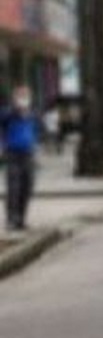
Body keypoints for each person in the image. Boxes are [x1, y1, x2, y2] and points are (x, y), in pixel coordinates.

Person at [1, 86, 40, 232]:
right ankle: (12, 219)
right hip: (12, 154)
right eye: (21, 96)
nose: (24, 99)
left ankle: (21, 219)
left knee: (27, 187)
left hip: (28, 154)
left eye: (26, 96)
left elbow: (35, 131)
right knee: (14, 188)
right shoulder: (9, 113)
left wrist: (36, 148)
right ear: (15, 98)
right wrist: (16, 109)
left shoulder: (32, 114)